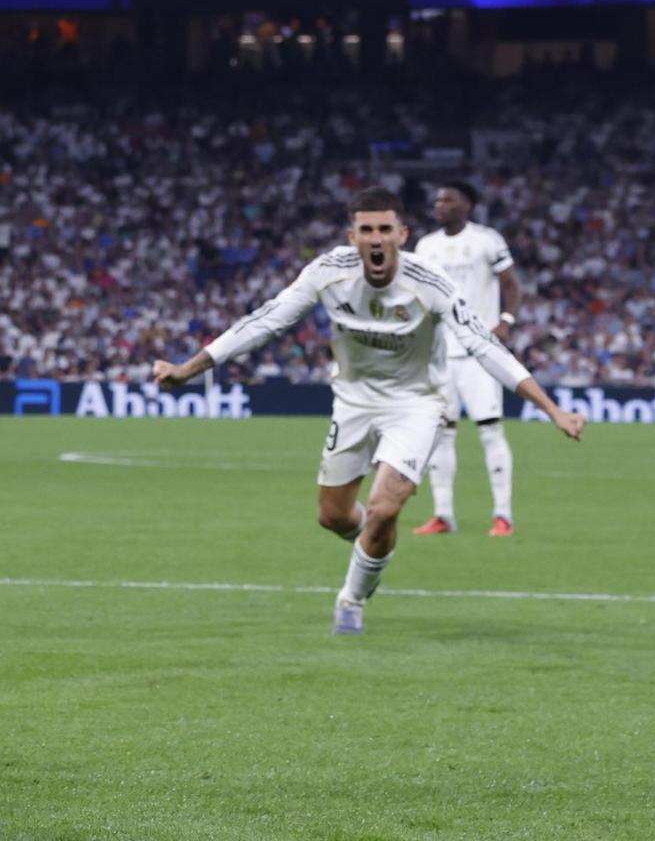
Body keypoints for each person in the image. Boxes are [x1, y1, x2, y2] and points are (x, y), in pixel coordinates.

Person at [151, 187, 585, 636]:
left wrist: (551, 409)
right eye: (366, 230)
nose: (375, 239)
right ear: (352, 236)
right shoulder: (327, 271)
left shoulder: (431, 282)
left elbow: (484, 346)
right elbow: (264, 321)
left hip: (416, 403)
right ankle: (374, 547)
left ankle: (352, 598)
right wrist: (188, 369)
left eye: (384, 230)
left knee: (384, 508)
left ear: (401, 234)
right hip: (354, 401)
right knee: (334, 517)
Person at [411, 181, 523, 536]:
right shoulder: (425, 246)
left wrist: (506, 321)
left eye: (448, 199)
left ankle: (502, 515)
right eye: (438, 200)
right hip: (439, 353)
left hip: (477, 351)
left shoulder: (487, 240)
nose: (439, 205)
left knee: (490, 430)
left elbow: (511, 284)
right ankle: (443, 514)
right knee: (440, 434)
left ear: (467, 205)